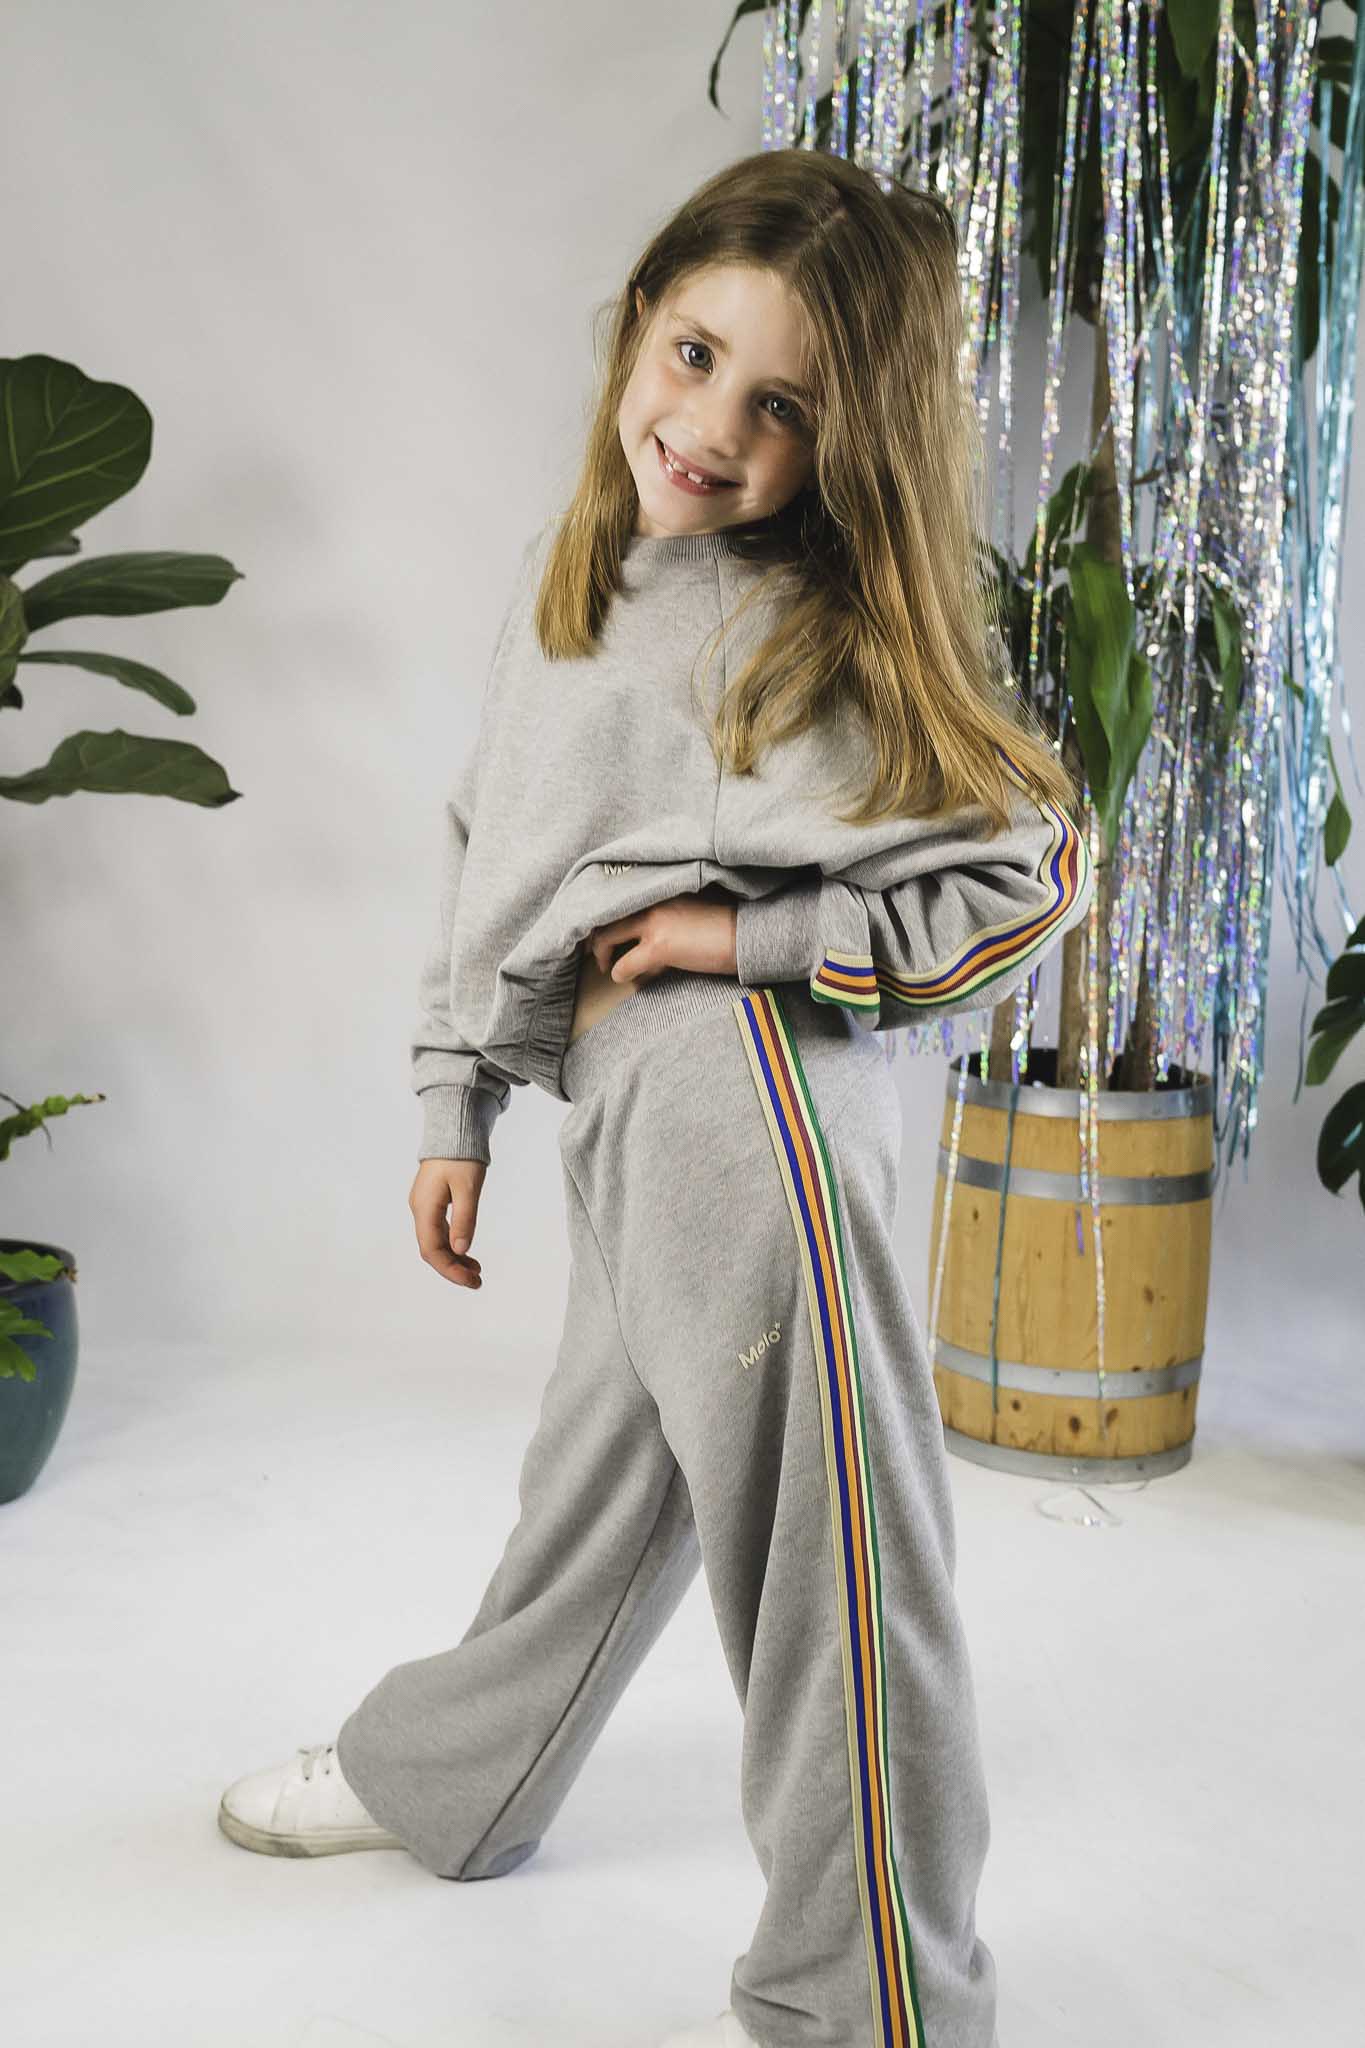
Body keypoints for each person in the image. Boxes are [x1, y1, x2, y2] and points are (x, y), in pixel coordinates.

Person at [218, 146, 1092, 2048]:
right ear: (637, 323)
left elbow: (1032, 870)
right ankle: (455, 1778)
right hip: (634, 1113)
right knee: (600, 1498)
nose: (708, 430)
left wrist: (753, 936)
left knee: (834, 1566)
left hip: (752, 1115)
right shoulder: (595, 562)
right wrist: (453, 1101)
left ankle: (872, 2007)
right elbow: (496, 845)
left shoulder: (805, 627)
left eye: (783, 407)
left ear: (847, 442)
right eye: (694, 357)